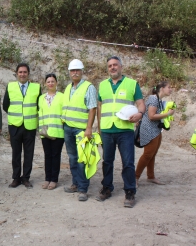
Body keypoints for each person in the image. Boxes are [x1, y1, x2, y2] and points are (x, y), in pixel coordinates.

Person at [96, 56, 145, 208]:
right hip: (107, 130)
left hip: (125, 131)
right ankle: (107, 188)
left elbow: (141, 104)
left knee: (128, 163)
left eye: (115, 65)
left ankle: (130, 192)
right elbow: (99, 107)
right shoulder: (103, 85)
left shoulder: (132, 84)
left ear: (121, 67)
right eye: (110, 65)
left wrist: (140, 114)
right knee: (107, 162)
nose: (112, 67)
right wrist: (99, 127)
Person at [62, 59, 97, 201]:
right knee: (72, 157)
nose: (75, 72)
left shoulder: (89, 87)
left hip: (81, 130)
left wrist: (89, 128)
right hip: (68, 128)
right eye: (72, 70)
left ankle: (83, 188)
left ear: (82, 71)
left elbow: (92, 108)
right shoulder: (68, 88)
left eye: (77, 70)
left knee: (82, 159)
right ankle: (75, 183)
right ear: (69, 72)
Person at [3, 63, 41, 188]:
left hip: (30, 125)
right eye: (20, 72)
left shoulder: (36, 87)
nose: (22, 74)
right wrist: (17, 116)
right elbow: (5, 105)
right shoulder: (10, 86)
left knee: (29, 153)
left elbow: (39, 105)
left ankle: (26, 178)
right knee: (16, 153)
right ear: (16, 73)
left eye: (25, 72)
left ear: (28, 74)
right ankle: (16, 178)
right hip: (15, 125)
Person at [135, 81, 174, 187]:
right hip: (149, 130)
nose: (170, 89)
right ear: (162, 88)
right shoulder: (153, 99)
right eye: (169, 87)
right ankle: (135, 177)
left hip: (156, 130)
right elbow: (151, 116)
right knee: (147, 154)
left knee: (152, 154)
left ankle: (150, 176)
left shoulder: (159, 99)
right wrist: (167, 114)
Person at [38, 73, 64, 190]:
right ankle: (47, 178)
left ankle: (54, 180)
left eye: (52, 81)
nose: (50, 83)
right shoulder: (41, 98)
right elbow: (40, 114)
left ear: (56, 83)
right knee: (47, 156)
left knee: (55, 155)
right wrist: (41, 129)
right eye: (48, 82)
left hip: (58, 132)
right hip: (45, 132)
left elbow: (64, 113)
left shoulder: (62, 97)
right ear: (45, 84)